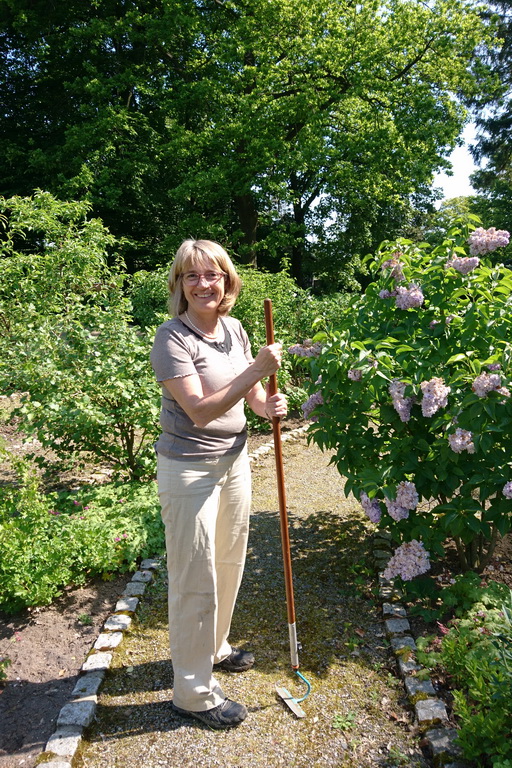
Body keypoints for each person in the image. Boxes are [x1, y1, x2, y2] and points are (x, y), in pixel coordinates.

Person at [150, 239, 287, 729]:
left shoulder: (234, 328)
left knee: (229, 562)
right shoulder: (172, 338)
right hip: (189, 470)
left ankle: (214, 646)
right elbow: (200, 411)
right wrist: (257, 369)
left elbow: (252, 394)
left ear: (227, 281)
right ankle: (192, 693)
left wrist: (266, 405)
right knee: (195, 579)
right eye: (191, 275)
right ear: (179, 285)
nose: (203, 284)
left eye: (212, 275)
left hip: (234, 461)